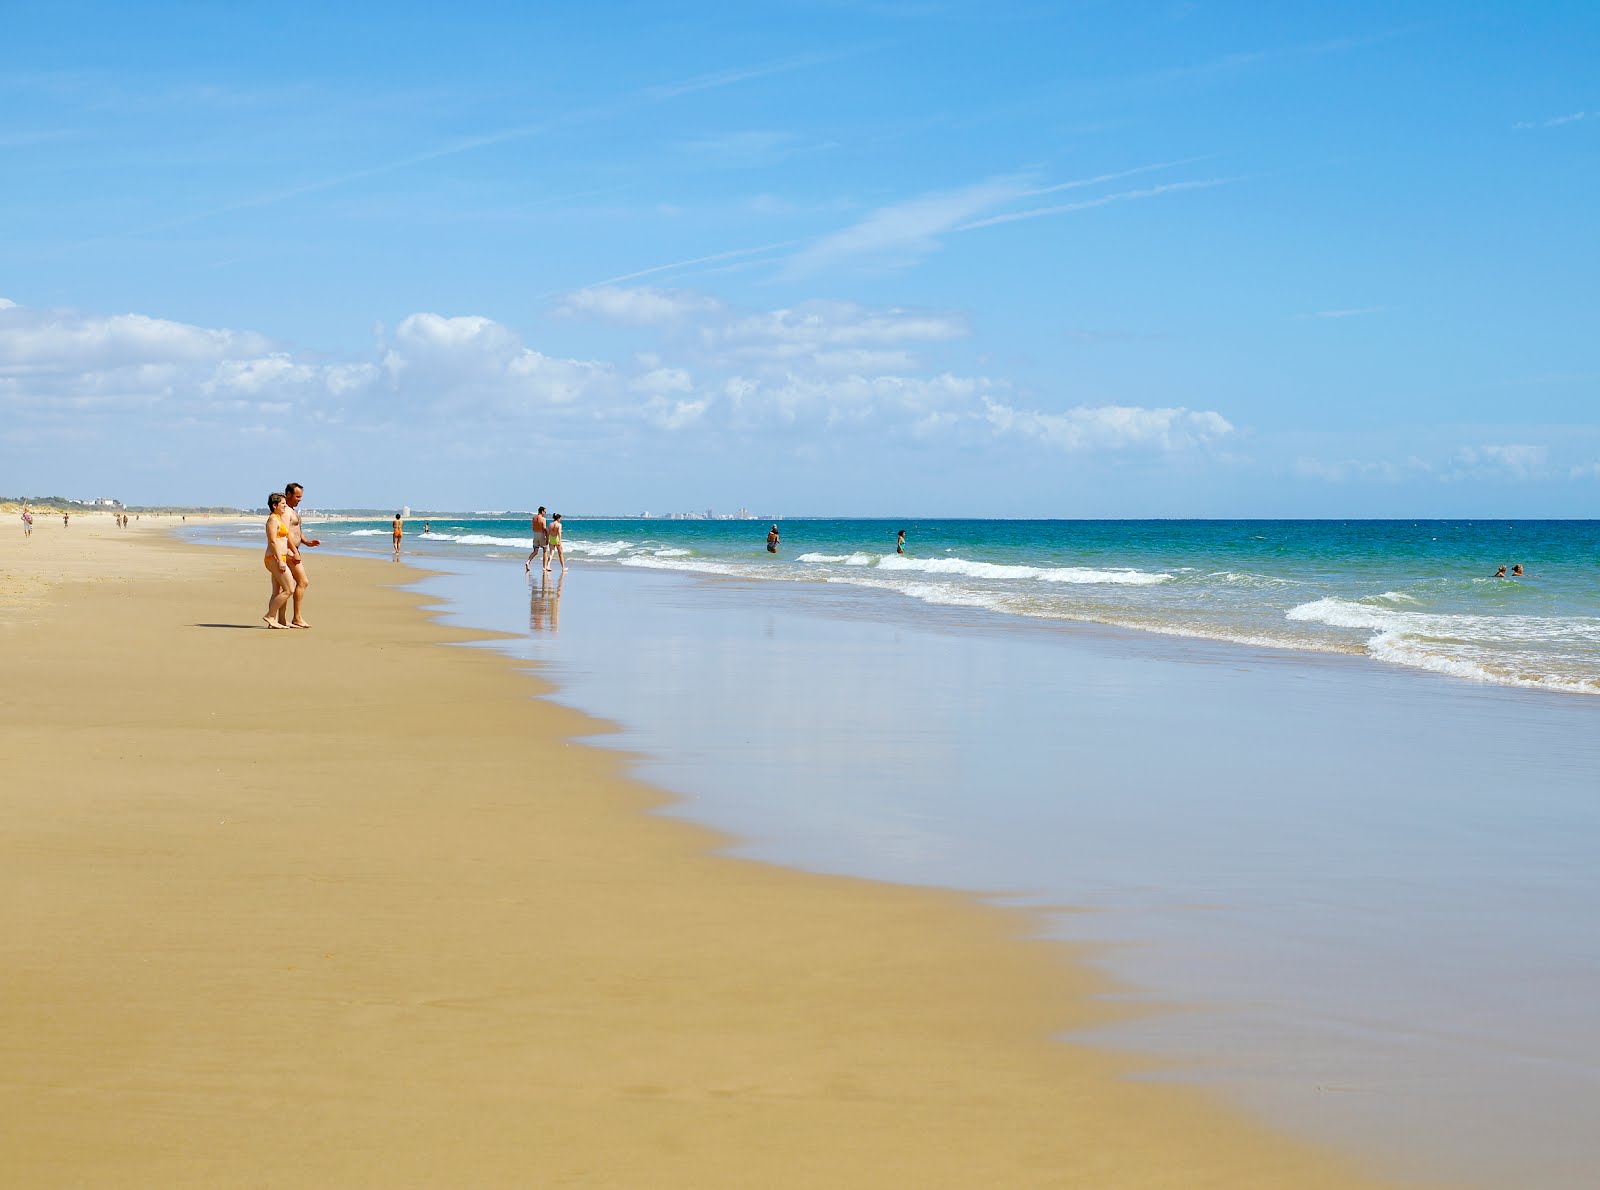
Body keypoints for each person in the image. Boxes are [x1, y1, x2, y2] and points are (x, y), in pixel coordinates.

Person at [281, 482, 321, 628]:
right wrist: (294, 552)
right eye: (297, 496)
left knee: (284, 586)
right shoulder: (286, 511)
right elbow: (286, 533)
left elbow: (296, 531)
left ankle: (281, 619)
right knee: (302, 582)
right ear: (289, 495)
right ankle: (296, 618)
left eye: (301, 496)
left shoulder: (291, 510)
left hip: (293, 551)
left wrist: (307, 542)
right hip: (289, 552)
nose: (300, 499)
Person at [262, 493, 294, 629]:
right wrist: (280, 561)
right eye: (283, 504)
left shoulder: (278, 519)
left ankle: (275, 621)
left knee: (277, 591)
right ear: (274, 506)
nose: (285, 506)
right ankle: (270, 616)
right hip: (274, 559)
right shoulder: (273, 520)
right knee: (289, 589)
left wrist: (289, 552)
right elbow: (273, 541)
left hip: (281, 557)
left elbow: (281, 541)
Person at [526, 506, 549, 574]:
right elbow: (544, 528)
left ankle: (528, 562)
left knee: (535, 551)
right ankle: (544, 567)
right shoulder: (543, 519)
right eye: (545, 511)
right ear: (542, 511)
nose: (545, 513)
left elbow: (533, 528)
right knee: (545, 550)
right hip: (541, 534)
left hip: (535, 534)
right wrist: (547, 538)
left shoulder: (534, 518)